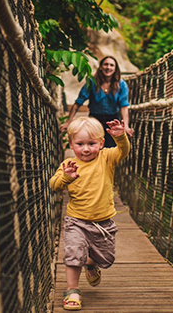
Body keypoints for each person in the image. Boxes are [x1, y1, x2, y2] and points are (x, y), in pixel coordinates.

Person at [49, 117, 130, 311]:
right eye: (80, 144)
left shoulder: (106, 158)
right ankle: (72, 290)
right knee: (73, 253)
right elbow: (54, 185)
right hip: (76, 221)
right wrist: (66, 178)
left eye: (91, 144)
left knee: (107, 259)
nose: (86, 149)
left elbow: (123, 151)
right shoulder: (68, 164)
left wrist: (121, 137)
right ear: (71, 145)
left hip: (103, 223)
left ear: (101, 143)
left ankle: (91, 264)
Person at [59, 56, 134, 147]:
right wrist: (68, 122)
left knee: (111, 149)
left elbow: (124, 106)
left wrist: (125, 126)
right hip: (94, 120)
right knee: (94, 147)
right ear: (101, 67)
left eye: (111, 65)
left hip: (113, 121)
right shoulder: (92, 82)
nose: (108, 67)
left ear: (115, 69)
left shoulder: (121, 85)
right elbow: (78, 103)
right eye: (105, 64)